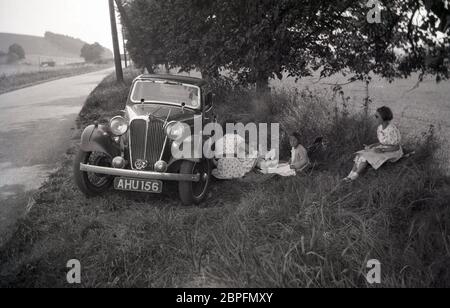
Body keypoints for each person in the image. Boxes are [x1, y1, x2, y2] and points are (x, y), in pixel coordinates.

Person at [344, 106, 404, 182]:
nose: (375, 118)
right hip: (383, 148)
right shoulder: (380, 127)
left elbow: (396, 147)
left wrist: (382, 150)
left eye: (376, 116)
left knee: (365, 157)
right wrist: (372, 145)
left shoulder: (392, 129)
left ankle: (354, 176)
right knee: (360, 154)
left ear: (383, 117)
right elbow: (383, 142)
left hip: (393, 151)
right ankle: (350, 175)